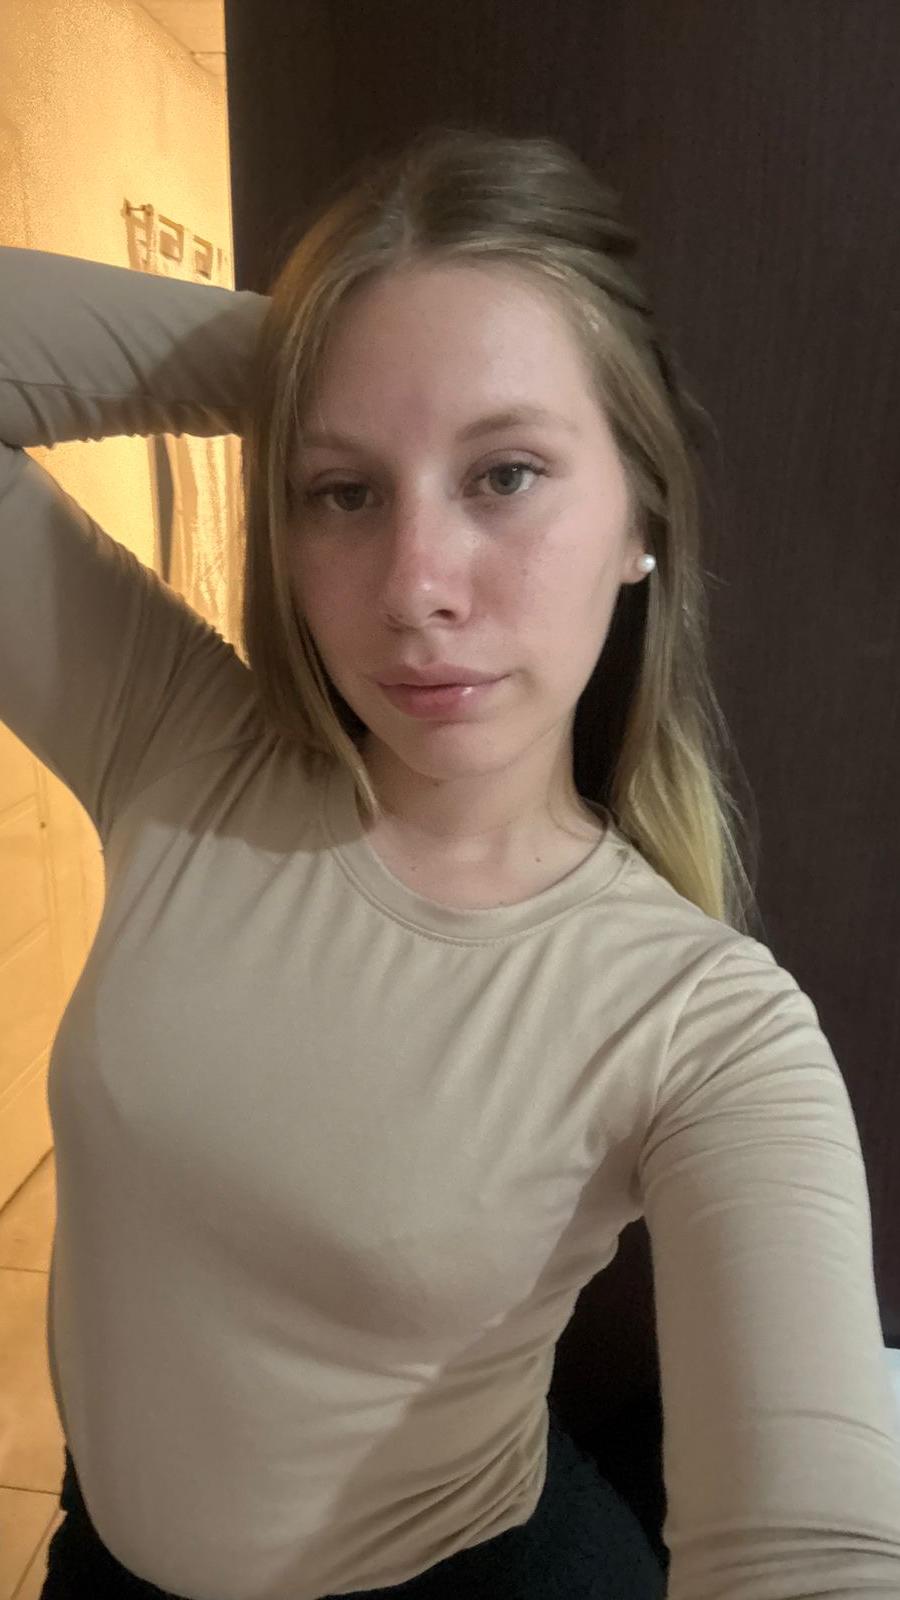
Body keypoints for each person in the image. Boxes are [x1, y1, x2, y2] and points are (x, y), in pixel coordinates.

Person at [0, 124, 898, 1600]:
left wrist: (369, 384)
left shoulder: (709, 1027)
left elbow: (814, 1550)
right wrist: (314, 354)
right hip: (97, 1561)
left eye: (507, 473)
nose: (415, 588)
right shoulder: (181, 751)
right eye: (343, 491)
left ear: (640, 516)